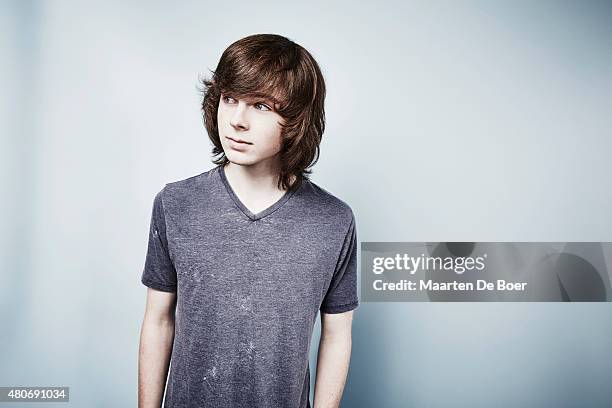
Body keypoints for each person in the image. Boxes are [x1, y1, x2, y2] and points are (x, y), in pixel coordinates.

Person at [138, 33, 359, 408]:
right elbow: (159, 320)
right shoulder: (175, 204)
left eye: (261, 106)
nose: (237, 121)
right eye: (229, 99)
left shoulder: (334, 221)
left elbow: (337, 335)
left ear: (297, 120)